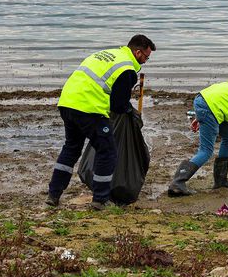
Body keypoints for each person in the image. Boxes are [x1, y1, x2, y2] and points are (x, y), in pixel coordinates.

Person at [46, 34, 156, 210]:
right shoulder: (126, 69)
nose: (145, 61)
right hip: (89, 109)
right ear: (137, 52)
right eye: (146, 57)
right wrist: (130, 112)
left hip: (67, 102)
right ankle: (100, 199)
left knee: (71, 148)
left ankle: (53, 194)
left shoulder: (109, 54)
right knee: (107, 151)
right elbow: (118, 105)